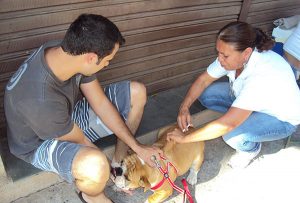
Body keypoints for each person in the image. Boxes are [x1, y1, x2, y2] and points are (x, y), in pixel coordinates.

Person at [4, 14, 162, 203]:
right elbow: (81, 140)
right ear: (91, 58)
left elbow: (100, 103)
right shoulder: (41, 99)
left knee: (137, 92)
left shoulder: (68, 51)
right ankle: (91, 195)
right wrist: (108, 173)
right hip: (37, 142)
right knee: (97, 166)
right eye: (107, 60)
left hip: (63, 117)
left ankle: (118, 160)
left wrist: (138, 148)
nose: (108, 64)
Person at [167, 21, 300, 168]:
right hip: (256, 100)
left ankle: (251, 149)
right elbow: (203, 80)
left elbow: (227, 125)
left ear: (247, 53)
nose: (219, 59)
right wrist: (184, 107)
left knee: (231, 134)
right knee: (206, 94)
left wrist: (185, 138)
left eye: (224, 55)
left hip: (281, 119)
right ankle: (242, 114)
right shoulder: (233, 54)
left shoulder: (262, 75)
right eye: (218, 52)